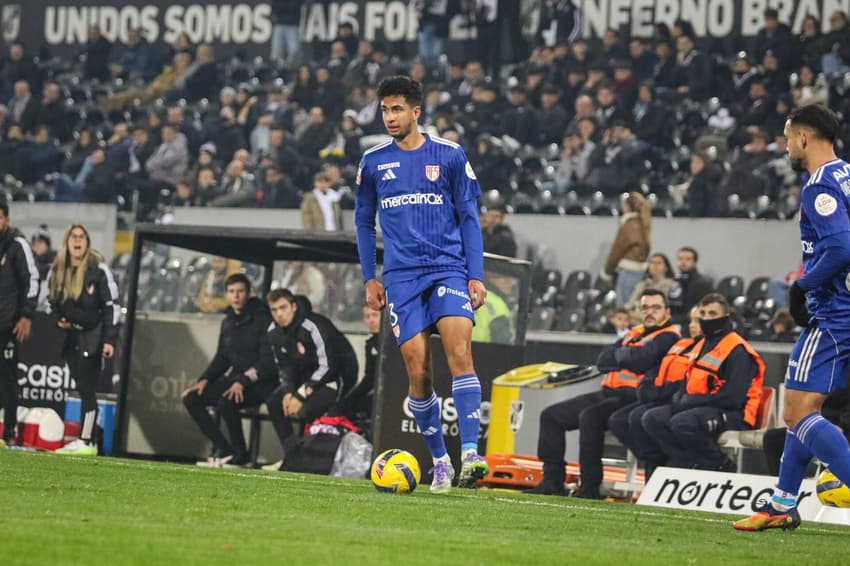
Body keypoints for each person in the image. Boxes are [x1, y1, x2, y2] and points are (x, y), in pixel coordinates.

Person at [354, 75, 489, 493]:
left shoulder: (449, 155)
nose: (390, 117)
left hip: (448, 268)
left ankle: (471, 455)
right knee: (418, 370)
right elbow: (363, 222)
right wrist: (369, 277)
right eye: (385, 110)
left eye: (397, 109)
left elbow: (469, 217)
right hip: (401, 278)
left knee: (460, 352)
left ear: (416, 111)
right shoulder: (373, 162)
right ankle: (441, 463)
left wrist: (475, 274)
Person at [735, 104, 850, 531]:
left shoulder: (819, 185)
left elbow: (840, 247)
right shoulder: (848, 175)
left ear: (804, 137)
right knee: (807, 408)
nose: (785, 147)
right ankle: (782, 502)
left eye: (787, 139)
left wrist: (802, 286)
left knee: (798, 412)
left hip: (835, 313)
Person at [526, 289, 680, 498]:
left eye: (656, 308)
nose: (650, 312)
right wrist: (629, 356)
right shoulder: (635, 332)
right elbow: (603, 361)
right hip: (608, 393)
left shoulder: (668, 336)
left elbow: (642, 361)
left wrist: (622, 356)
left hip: (633, 398)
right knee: (551, 416)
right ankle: (552, 481)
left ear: (667, 312)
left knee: (590, 417)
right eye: (645, 307)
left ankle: (589, 487)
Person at [642, 293, 764, 471]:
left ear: (726, 316)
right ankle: (686, 464)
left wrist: (693, 401)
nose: (706, 318)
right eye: (703, 313)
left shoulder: (738, 349)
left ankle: (720, 465)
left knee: (683, 423)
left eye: (713, 314)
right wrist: (680, 398)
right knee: (652, 418)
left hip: (734, 413)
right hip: (701, 406)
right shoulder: (702, 344)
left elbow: (733, 397)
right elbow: (689, 379)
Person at [181, 274, 273, 467]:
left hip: (259, 384)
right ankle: (225, 449)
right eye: (231, 292)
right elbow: (223, 357)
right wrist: (205, 379)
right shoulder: (228, 321)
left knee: (226, 400)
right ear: (226, 294)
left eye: (240, 291)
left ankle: (241, 454)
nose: (236, 296)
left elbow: (267, 361)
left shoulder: (263, 319)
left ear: (249, 293)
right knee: (191, 398)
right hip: (235, 380)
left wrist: (243, 380)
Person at [262, 289, 358, 470]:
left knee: (309, 407)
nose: (279, 314)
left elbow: (328, 366)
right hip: (307, 379)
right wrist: (288, 392)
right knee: (275, 402)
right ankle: (292, 457)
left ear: (293, 306)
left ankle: (310, 462)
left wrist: (300, 395)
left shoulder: (314, 326)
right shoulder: (273, 332)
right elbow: (284, 366)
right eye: (274, 310)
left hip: (337, 377)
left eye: (283, 308)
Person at [48, 225, 120, 455]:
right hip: (71, 338)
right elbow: (50, 301)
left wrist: (109, 340)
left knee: (88, 389)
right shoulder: (59, 269)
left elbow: (111, 306)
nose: (77, 241)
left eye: (81, 237)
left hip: (92, 337)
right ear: (67, 241)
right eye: (73, 237)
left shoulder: (98, 270)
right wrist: (59, 319)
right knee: (82, 387)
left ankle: (86, 440)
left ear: (87, 242)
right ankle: (88, 438)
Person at [608, 307, 702, 480]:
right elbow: (655, 370)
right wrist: (646, 388)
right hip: (658, 396)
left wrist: (660, 392)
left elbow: (688, 384)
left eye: (697, 321)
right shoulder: (682, 344)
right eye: (691, 320)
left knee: (644, 418)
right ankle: (655, 460)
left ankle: (674, 463)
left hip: (678, 400)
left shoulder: (707, 348)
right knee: (618, 420)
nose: (692, 325)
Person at [0, 201, 38, 447]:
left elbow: (32, 279)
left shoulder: (17, 245)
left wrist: (26, 315)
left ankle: (8, 432)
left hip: (7, 325)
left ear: (7, 219)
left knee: (7, 379)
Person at [338, 305, 382, 438]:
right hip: (377, 391)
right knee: (346, 405)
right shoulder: (370, 343)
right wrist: (351, 397)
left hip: (394, 393)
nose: (371, 320)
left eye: (375, 315)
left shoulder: (397, 340)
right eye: (367, 317)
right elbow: (369, 377)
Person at [602, 192, 652, 307]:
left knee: (623, 308)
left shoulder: (629, 224)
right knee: (632, 306)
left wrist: (607, 271)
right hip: (639, 271)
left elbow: (617, 249)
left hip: (628, 272)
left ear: (627, 206)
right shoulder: (643, 223)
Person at [668, 246, 713, 330]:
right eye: (680, 259)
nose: (683, 262)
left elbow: (702, 309)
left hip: (689, 323)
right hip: (671, 321)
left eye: (688, 259)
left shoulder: (702, 283)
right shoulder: (673, 281)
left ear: (695, 262)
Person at [624, 253, 674, 325]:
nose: (655, 265)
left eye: (659, 263)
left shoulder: (669, 283)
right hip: (636, 315)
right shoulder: (642, 284)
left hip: (655, 316)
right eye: (652, 262)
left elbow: (656, 305)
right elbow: (630, 303)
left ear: (666, 268)